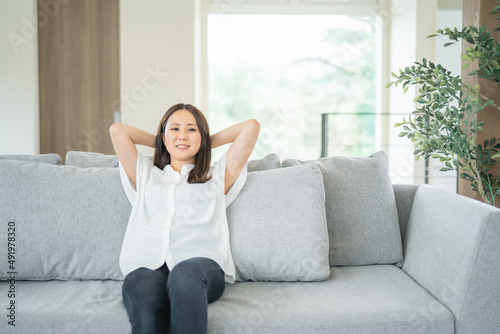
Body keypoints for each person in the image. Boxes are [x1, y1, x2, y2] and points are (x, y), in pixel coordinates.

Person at [109, 103, 260, 334]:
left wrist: (202, 143)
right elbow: (118, 131)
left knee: (184, 274)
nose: (182, 135)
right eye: (174, 129)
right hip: (147, 267)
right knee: (145, 298)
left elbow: (250, 127)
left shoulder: (216, 177)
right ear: (163, 135)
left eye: (191, 130)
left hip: (200, 268)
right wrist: (164, 142)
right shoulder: (147, 175)